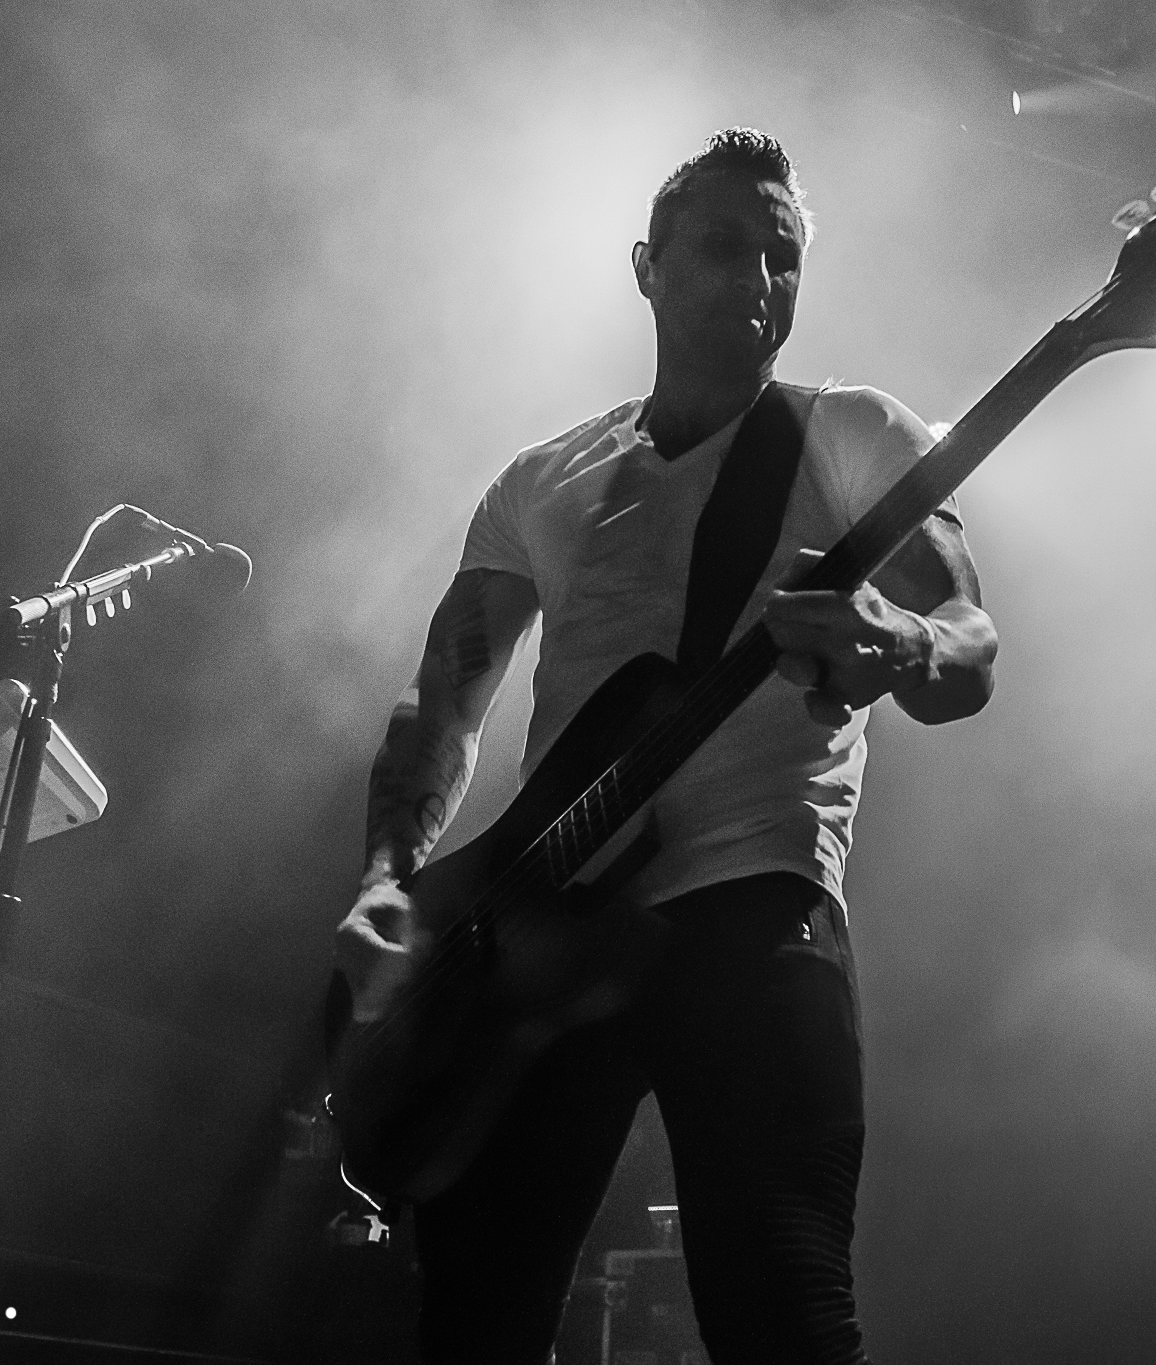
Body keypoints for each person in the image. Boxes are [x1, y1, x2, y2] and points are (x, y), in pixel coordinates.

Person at [333, 128, 997, 1364]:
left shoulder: (846, 431)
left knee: (785, 1317)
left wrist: (897, 640)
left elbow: (968, 644)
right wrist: (386, 875)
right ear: (645, 266)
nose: (760, 279)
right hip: (543, 931)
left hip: (754, 906)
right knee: (470, 1329)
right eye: (725, 247)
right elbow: (440, 702)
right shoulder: (543, 479)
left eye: (783, 257)